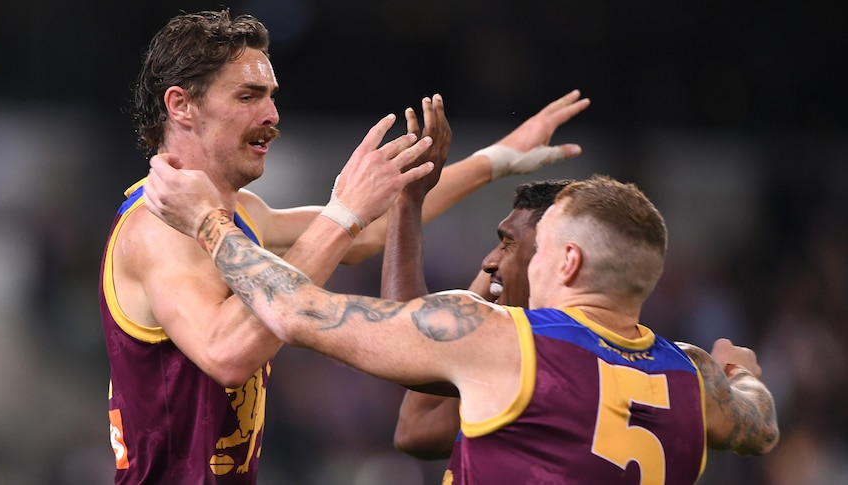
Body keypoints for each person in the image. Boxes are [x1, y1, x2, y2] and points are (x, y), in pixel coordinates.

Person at [99, 9, 590, 484]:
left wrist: (498, 158)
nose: (271, 114)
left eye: (271, 96)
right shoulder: (160, 230)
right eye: (248, 96)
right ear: (181, 105)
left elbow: (368, 235)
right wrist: (341, 212)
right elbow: (228, 353)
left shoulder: (243, 213)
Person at [144, 166, 780, 483]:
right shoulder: (695, 379)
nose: (502, 260)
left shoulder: (498, 337)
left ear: (568, 259)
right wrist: (739, 372)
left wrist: (208, 221)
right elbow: (762, 424)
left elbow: (296, 310)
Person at [384, 178, 782, 472]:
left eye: (507, 242)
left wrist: (406, 201)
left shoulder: (520, 350)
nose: (488, 260)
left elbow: (400, 342)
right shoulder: (685, 370)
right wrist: (735, 372)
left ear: (563, 256)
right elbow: (420, 429)